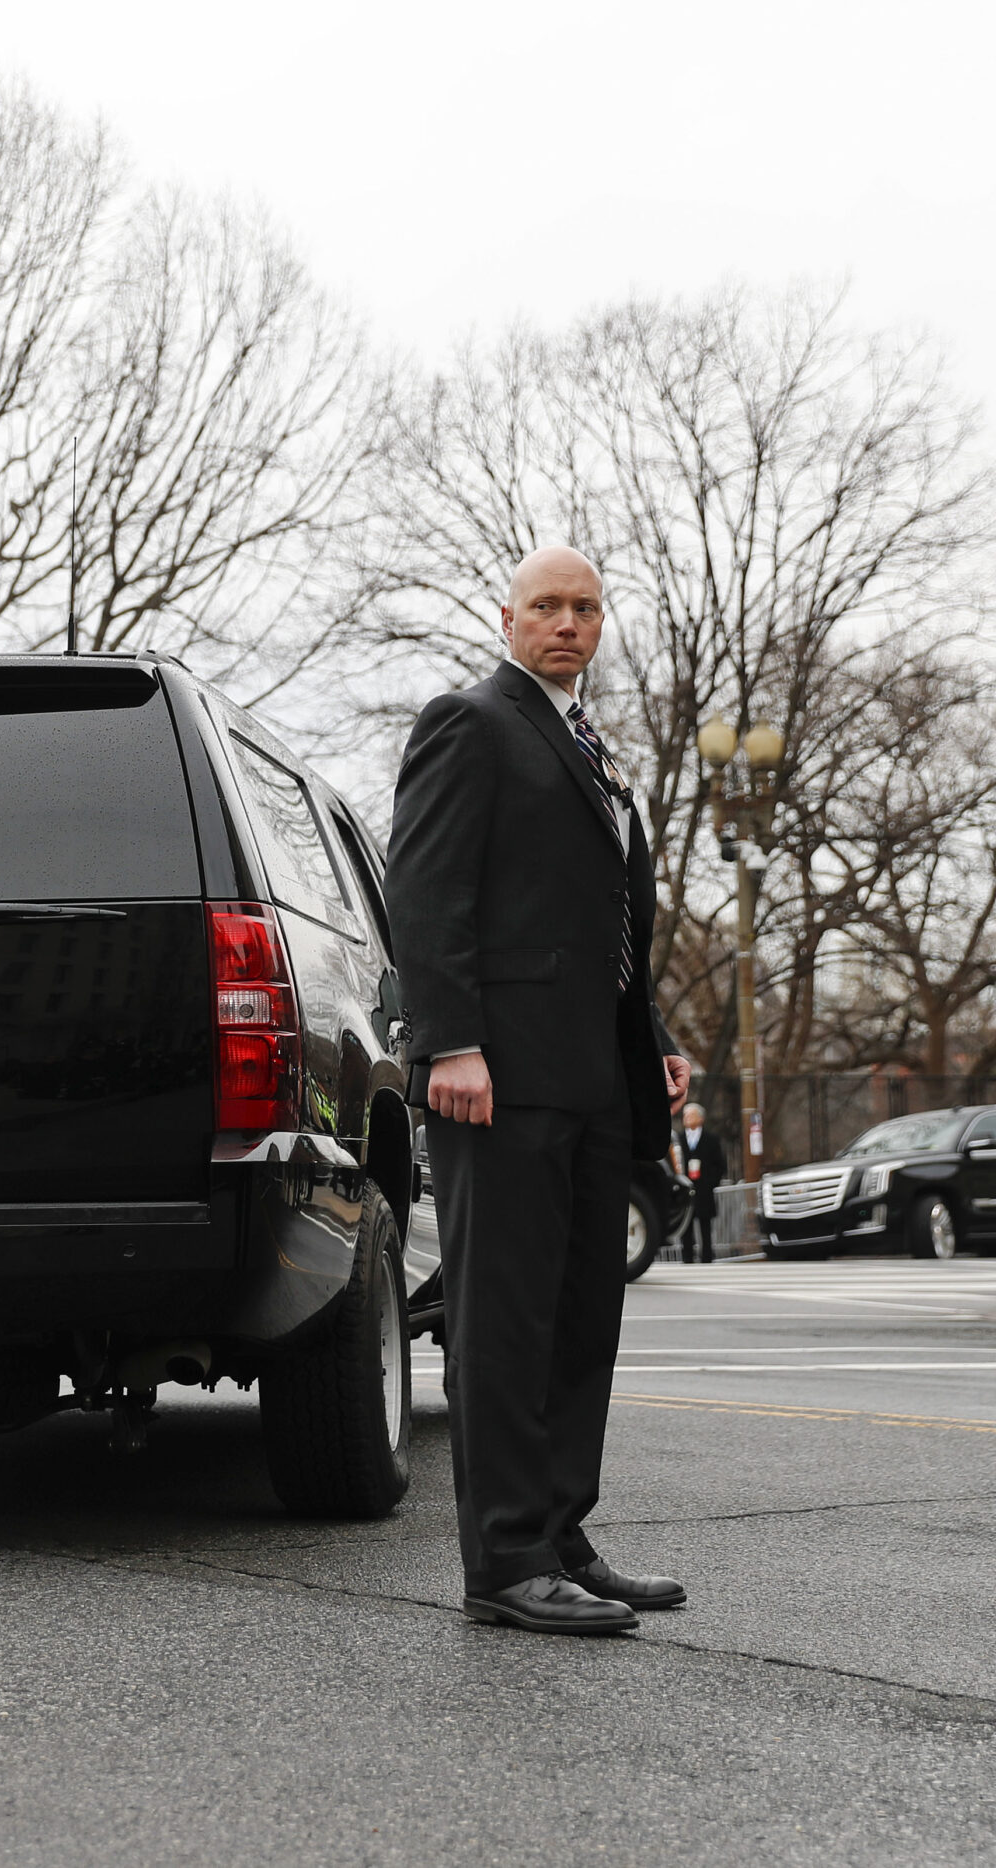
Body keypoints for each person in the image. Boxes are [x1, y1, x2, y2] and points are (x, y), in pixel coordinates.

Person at [386, 546, 694, 1636]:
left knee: (578, 1317)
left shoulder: (590, 748)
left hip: (593, 1075)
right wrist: (450, 1042)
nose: (568, 623)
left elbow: (595, 919)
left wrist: (650, 1036)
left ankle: (561, 1535)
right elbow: (426, 890)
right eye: (548, 606)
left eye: (586, 608)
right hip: (498, 1077)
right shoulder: (469, 723)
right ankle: (505, 1560)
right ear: (507, 617)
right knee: (506, 1319)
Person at [677, 1104, 726, 1263]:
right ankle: (687, 1257)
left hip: (704, 1189)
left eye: (691, 1115)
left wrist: (710, 1182)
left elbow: (720, 1165)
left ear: (700, 1119)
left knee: (705, 1224)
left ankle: (707, 1256)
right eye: (685, 1115)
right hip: (684, 1189)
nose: (687, 1118)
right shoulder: (678, 1140)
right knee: (686, 1225)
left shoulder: (711, 1139)